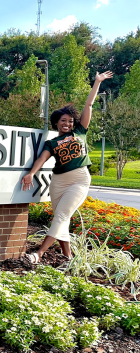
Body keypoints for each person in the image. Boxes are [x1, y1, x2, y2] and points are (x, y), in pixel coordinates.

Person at [21, 70, 113, 264]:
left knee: (61, 216)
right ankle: (67, 257)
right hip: (58, 182)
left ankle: (38, 254)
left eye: (70, 121)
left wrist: (97, 82)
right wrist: (31, 174)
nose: (67, 123)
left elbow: (88, 104)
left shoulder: (80, 131)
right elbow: (41, 160)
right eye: (63, 121)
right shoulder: (52, 143)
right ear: (56, 123)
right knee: (62, 220)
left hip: (79, 180)